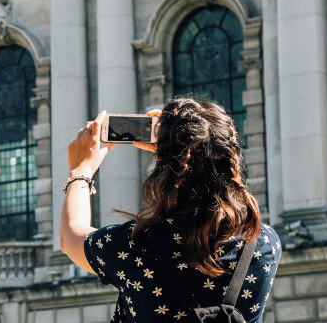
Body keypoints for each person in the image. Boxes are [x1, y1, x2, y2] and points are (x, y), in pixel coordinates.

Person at [58, 98, 280, 322]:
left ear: (166, 169)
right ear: (231, 157)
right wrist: (173, 152)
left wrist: (81, 170)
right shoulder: (264, 243)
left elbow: (70, 236)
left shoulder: (135, 246)